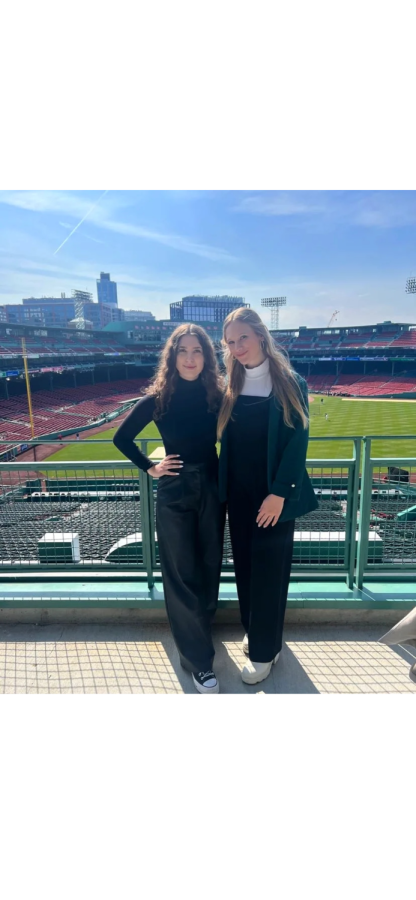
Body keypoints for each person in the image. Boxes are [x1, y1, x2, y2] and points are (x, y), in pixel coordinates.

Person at [114, 325, 225, 696]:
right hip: (175, 488)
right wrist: (151, 466)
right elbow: (121, 438)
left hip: (212, 483)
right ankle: (199, 662)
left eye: (197, 351)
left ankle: (201, 628)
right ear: (172, 356)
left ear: (207, 357)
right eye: (183, 351)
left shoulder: (219, 394)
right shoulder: (157, 399)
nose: (191, 358)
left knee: (210, 563)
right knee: (180, 571)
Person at [218, 308, 319, 686]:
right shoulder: (231, 381)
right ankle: (259, 633)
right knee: (244, 568)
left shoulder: (290, 382)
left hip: (274, 496)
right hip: (239, 496)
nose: (237, 347)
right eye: (230, 342)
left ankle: (265, 652)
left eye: (242, 337)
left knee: (270, 572)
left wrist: (278, 493)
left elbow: (297, 444)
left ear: (260, 335)